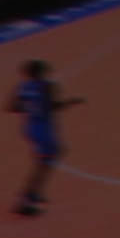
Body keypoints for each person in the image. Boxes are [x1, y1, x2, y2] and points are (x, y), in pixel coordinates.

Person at [10, 58, 73, 217]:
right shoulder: (48, 86)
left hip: (30, 127)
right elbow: (54, 106)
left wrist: (32, 107)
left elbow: (11, 106)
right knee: (45, 163)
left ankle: (33, 192)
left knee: (48, 158)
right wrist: (70, 103)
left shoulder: (22, 87)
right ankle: (26, 199)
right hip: (44, 128)